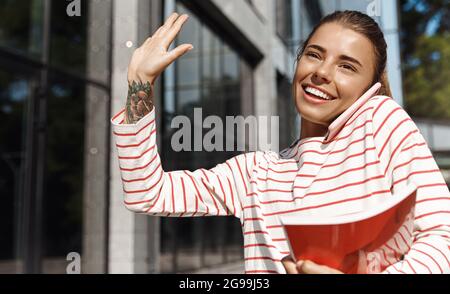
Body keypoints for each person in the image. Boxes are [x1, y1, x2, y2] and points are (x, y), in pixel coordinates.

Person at [111, 11, 450, 274]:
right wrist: (140, 83)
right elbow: (147, 192)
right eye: (315, 55)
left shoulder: (382, 124)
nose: (323, 72)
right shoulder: (255, 172)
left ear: (369, 89)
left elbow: (442, 240)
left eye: (347, 66)